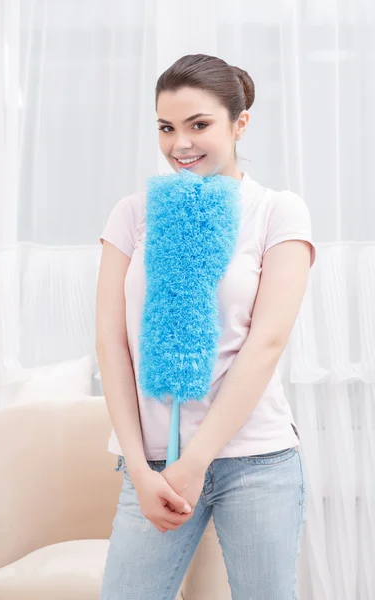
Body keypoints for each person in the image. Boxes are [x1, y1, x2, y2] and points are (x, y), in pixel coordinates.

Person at [96, 53, 316, 600]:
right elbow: (111, 343)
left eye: (199, 125)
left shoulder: (277, 212)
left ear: (240, 123)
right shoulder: (133, 213)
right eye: (166, 128)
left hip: (257, 460)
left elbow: (265, 345)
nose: (180, 145)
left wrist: (195, 462)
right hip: (151, 462)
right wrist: (141, 468)